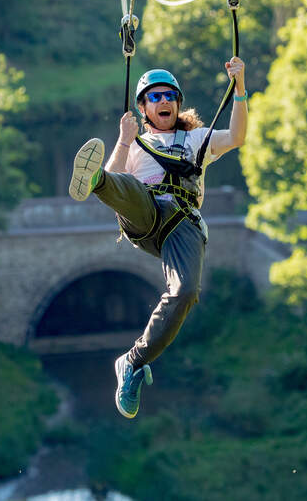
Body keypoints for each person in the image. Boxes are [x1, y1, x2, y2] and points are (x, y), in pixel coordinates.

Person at [68, 56, 247, 418]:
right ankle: (94, 181)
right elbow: (119, 175)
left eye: (169, 96)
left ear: (178, 103)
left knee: (185, 293)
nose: (163, 102)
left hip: (184, 225)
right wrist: (122, 141)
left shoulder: (196, 138)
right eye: (154, 97)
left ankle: (132, 363)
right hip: (146, 215)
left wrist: (239, 86)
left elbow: (237, 136)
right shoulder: (135, 145)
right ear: (143, 108)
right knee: (125, 188)